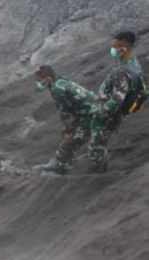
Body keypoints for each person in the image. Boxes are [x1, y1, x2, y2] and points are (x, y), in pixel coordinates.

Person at [90, 30, 146, 172]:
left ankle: (96, 176)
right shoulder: (134, 64)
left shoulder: (123, 71)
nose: (112, 50)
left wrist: (99, 113)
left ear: (122, 49)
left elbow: (117, 100)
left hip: (109, 116)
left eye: (114, 47)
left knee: (97, 146)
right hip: (119, 113)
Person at [34, 66, 99, 174]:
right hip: (89, 110)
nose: (39, 83)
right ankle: (63, 163)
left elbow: (65, 112)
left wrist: (68, 129)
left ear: (48, 78)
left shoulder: (57, 89)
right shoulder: (61, 81)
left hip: (92, 114)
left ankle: (62, 167)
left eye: (40, 80)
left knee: (71, 141)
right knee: (71, 137)